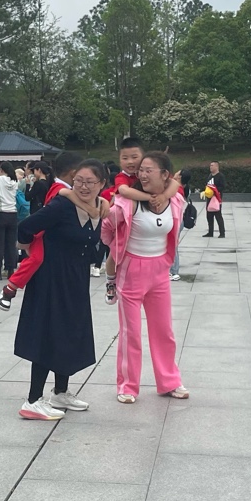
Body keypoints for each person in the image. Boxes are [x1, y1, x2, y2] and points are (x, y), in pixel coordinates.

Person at [13, 153, 107, 419]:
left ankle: (60, 392)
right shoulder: (61, 205)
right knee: (48, 334)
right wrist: (32, 251)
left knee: (69, 331)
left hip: (75, 278)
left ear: (101, 184)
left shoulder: (99, 207)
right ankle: (33, 400)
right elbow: (26, 226)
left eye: (90, 182)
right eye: (79, 181)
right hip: (50, 279)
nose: (84, 186)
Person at [102, 152, 189, 403]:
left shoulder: (174, 200)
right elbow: (107, 226)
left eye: (148, 170)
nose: (142, 174)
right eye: (141, 170)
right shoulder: (127, 202)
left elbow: (176, 191)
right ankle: (128, 386)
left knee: (164, 330)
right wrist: (116, 250)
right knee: (131, 332)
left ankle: (169, 382)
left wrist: (167, 193)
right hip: (132, 270)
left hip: (160, 270)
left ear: (165, 175)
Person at [100, 137, 181, 305]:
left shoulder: (147, 173)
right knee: (114, 255)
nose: (130, 162)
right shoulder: (122, 177)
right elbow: (124, 191)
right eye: (125, 158)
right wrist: (149, 198)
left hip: (143, 228)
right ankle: (110, 281)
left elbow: (174, 183)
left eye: (134, 157)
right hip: (122, 220)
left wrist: (163, 196)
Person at [0, 158, 66, 311]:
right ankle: (10, 288)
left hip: (39, 220)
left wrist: (28, 185)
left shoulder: (45, 185)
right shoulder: (54, 186)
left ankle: (10, 287)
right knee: (36, 257)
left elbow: (28, 197)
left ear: (38, 171)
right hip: (42, 223)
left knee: (35, 258)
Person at [202, 161, 226, 238]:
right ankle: (210, 232)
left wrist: (214, 190)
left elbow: (222, 187)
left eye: (212, 165)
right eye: (210, 165)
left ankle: (222, 233)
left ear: (216, 166)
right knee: (209, 215)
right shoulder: (210, 176)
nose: (210, 167)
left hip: (216, 198)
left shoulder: (220, 176)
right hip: (209, 198)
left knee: (218, 215)